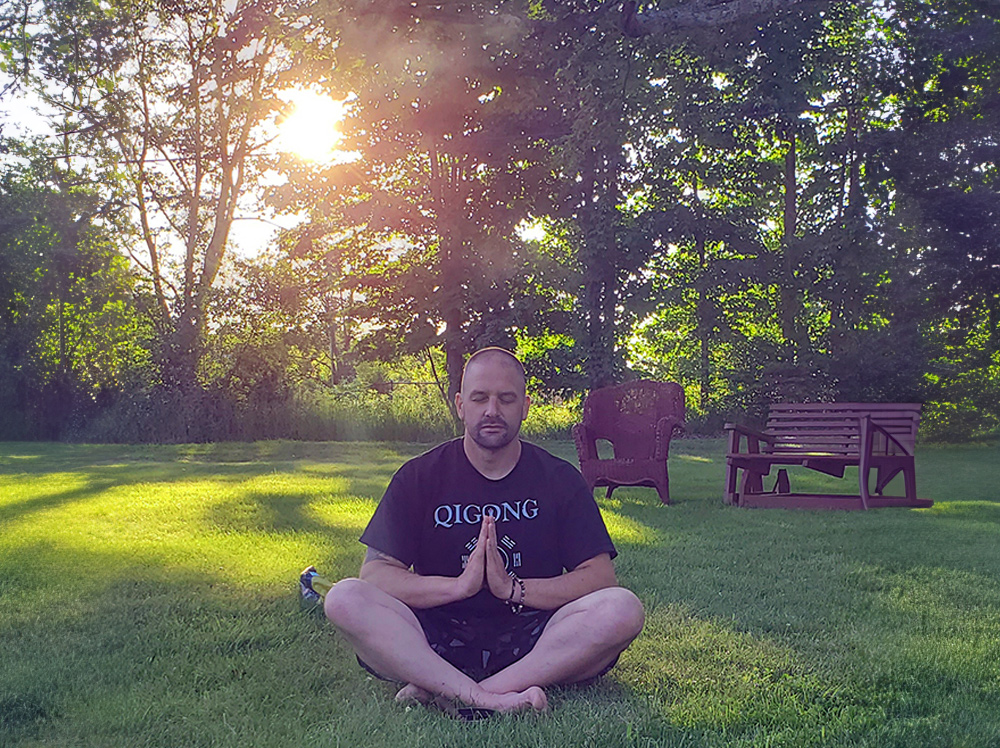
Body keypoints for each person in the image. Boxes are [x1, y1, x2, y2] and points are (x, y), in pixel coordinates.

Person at [309, 347, 645, 716]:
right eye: (479, 397)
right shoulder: (419, 476)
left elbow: (599, 578)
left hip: (534, 637)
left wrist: (513, 589)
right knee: (344, 597)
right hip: (434, 634)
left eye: (506, 399)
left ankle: (452, 689)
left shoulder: (559, 479)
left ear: (525, 406)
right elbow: (375, 575)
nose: (492, 411)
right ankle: (488, 699)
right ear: (460, 404)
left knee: (623, 608)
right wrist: (457, 587)